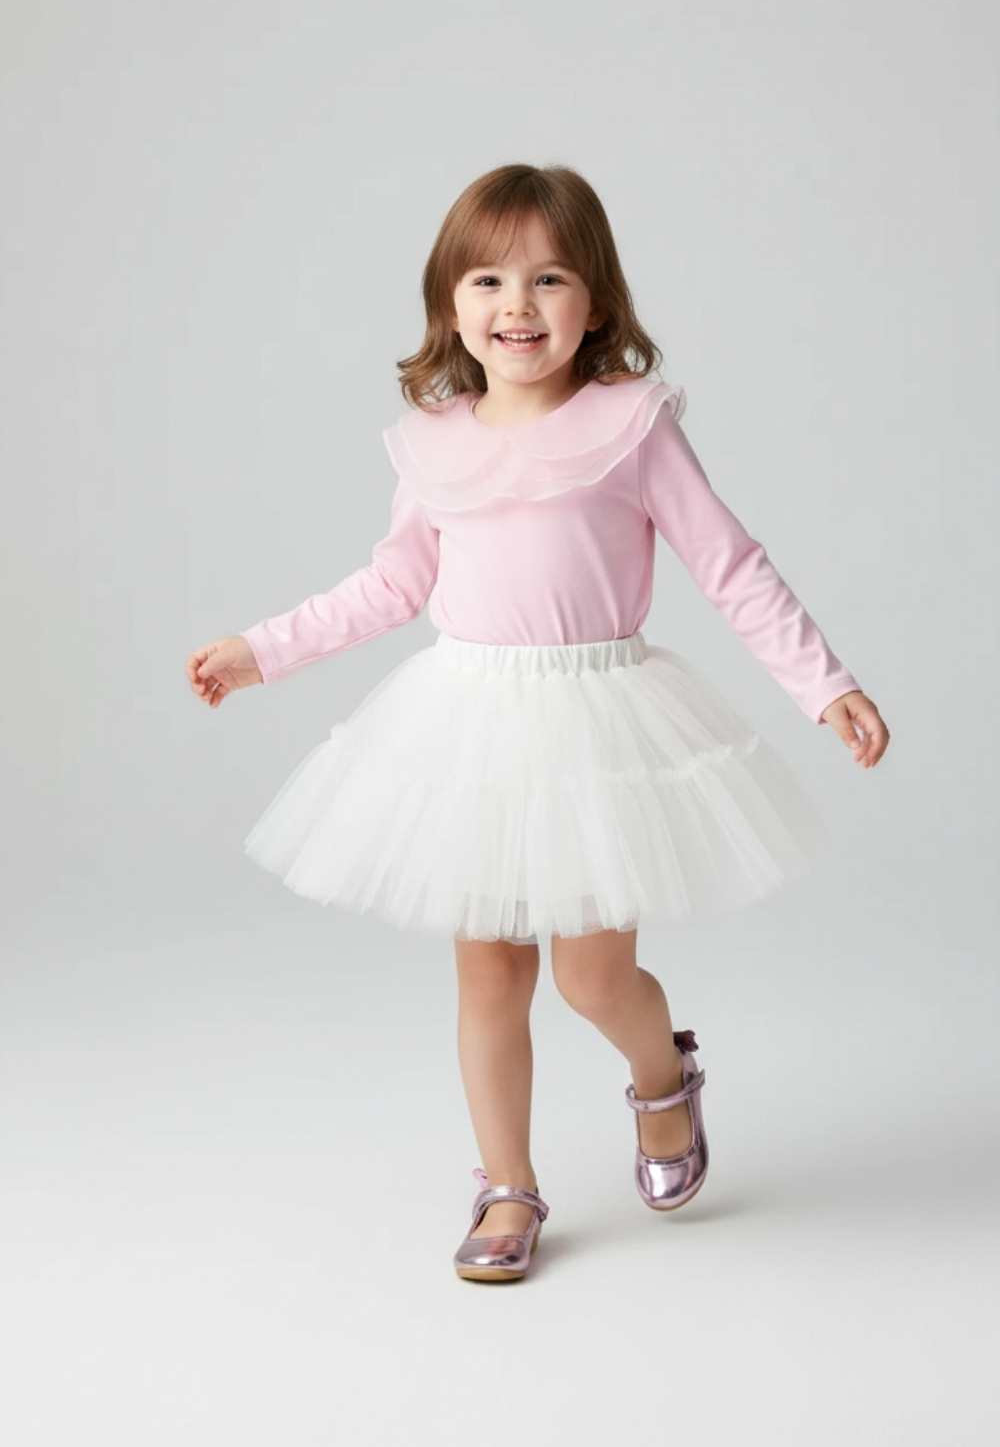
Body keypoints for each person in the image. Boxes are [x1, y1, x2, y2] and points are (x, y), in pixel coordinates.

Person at [185, 163, 889, 1284]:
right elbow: (390, 584)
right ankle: (506, 1185)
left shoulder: (631, 425)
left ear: (596, 304)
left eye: (549, 278)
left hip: (597, 721)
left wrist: (824, 683)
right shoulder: (432, 440)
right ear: (450, 305)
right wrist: (263, 649)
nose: (517, 304)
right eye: (488, 280)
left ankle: (662, 1078)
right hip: (469, 726)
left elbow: (728, 564)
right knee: (489, 977)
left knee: (593, 979)